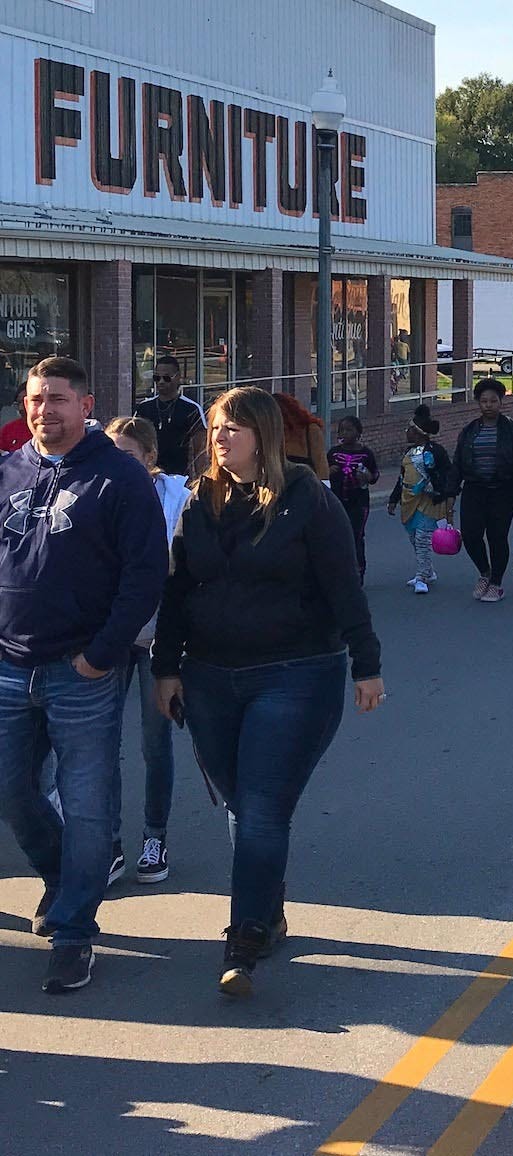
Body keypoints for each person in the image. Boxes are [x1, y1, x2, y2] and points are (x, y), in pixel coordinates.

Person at [153, 386, 383, 995]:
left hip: (295, 673)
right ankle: (269, 905)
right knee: (242, 805)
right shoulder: (197, 501)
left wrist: (367, 665)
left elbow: (344, 585)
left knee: (259, 807)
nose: (220, 438)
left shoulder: (308, 498)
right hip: (209, 678)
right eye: (216, 429)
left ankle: (245, 938)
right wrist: (165, 668)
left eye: (233, 428)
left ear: (264, 436)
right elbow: (176, 594)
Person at [0, 358, 167, 993]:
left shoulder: (120, 477)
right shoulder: (10, 470)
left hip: (84, 670)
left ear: (87, 404)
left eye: (59, 400)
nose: (46, 411)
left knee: (90, 804)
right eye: (37, 400)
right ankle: (62, 878)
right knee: (12, 793)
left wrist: (101, 653)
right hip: (9, 664)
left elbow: (144, 575)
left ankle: (73, 932)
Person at [104, 416, 189, 886]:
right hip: (109, 640)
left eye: (128, 455)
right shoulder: (98, 494)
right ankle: (110, 842)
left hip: (158, 641)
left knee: (155, 745)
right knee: (101, 745)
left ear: (151, 458)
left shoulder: (179, 499)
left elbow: (181, 571)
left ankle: (154, 836)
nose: (118, 464)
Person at [455, 378, 513, 603]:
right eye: (484, 401)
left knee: (497, 536)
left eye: (493, 401)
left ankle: (497, 583)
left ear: (501, 402)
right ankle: (485, 572)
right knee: (471, 535)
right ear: (478, 403)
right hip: (474, 489)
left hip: (503, 490)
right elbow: (458, 463)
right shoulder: (470, 430)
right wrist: (448, 493)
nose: (488, 405)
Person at [385, 405, 454, 595]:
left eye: (409, 429)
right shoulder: (408, 454)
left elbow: (448, 473)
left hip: (428, 501)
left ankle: (422, 576)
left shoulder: (436, 451)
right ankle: (428, 571)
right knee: (415, 538)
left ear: (418, 433)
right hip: (410, 501)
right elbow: (402, 478)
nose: (407, 432)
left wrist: (443, 491)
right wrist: (393, 499)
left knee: (423, 538)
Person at [326, 415, 380, 582]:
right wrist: (329, 470)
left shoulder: (365, 454)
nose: (344, 433)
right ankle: (338, 572)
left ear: (358, 432)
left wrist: (368, 476)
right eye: (342, 429)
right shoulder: (334, 453)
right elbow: (322, 475)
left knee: (356, 536)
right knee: (337, 536)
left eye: (349, 429)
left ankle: (358, 572)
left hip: (359, 502)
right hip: (337, 501)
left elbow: (375, 475)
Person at [133, 354, 207, 475]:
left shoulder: (191, 409)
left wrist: (200, 483)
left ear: (178, 377)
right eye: (157, 378)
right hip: (149, 477)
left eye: (166, 378)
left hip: (179, 480)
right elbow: (134, 442)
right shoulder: (144, 408)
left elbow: (201, 452)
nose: (161, 382)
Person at [272, 392, 329, 480]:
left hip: (308, 488)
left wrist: (325, 490)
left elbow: (321, 465)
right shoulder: (270, 434)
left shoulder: (311, 431)